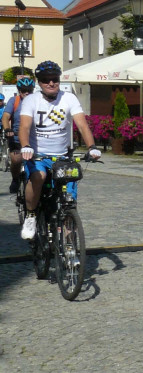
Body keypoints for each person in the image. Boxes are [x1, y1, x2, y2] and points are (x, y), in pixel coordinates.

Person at [18, 62, 102, 240]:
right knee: (38, 177)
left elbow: (82, 125)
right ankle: (31, 215)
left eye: (54, 79)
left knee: (69, 198)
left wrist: (92, 147)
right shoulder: (31, 100)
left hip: (62, 156)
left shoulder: (69, 98)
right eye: (45, 80)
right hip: (37, 156)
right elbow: (24, 127)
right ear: (39, 83)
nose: (50, 83)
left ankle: (70, 244)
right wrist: (26, 146)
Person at [3, 76, 36, 193]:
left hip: (33, 138)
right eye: (23, 91)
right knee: (16, 160)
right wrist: (7, 129)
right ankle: (15, 179)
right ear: (19, 91)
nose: (26, 93)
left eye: (29, 91)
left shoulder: (37, 100)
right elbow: (6, 117)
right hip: (16, 136)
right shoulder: (15, 101)